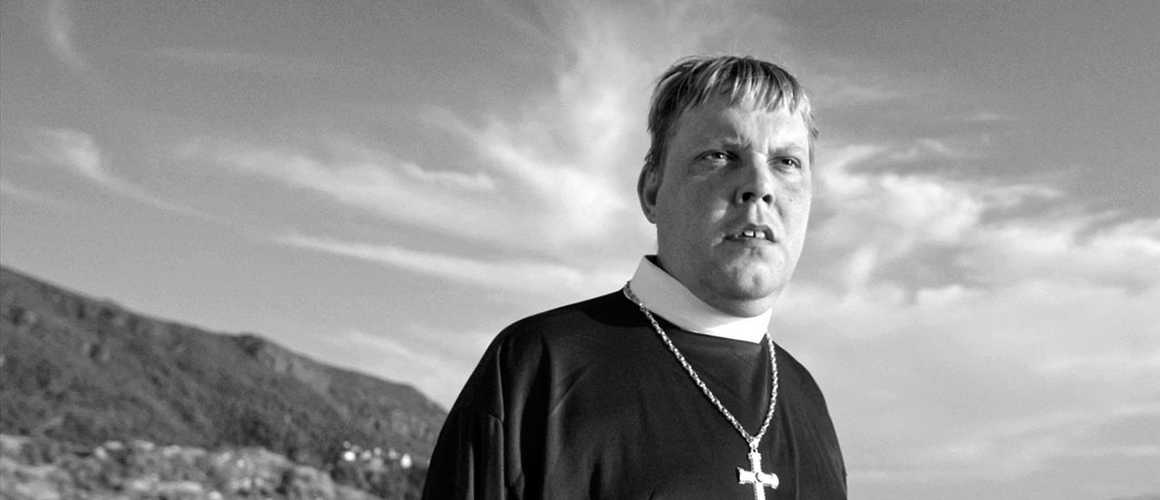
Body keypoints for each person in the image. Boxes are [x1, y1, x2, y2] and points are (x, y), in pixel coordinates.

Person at [422, 55, 846, 499]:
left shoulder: (807, 400)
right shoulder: (537, 368)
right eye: (720, 155)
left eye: (786, 162)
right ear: (651, 191)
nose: (759, 185)